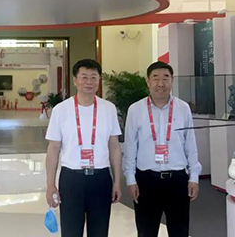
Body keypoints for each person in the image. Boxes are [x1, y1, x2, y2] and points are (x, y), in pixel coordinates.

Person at [45, 59, 123, 237]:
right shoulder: (61, 110)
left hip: (101, 178)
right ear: (75, 80)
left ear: (99, 80)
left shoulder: (108, 109)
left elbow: (114, 147)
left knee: (99, 232)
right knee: (71, 232)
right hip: (72, 179)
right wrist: (50, 184)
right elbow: (53, 149)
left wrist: (117, 181)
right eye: (84, 77)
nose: (89, 82)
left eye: (93, 77)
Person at [123, 61, 201, 237]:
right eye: (155, 78)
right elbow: (130, 147)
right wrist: (130, 179)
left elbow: (190, 145)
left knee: (179, 231)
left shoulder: (183, 108)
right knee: (146, 232)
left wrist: (194, 177)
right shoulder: (135, 110)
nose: (161, 83)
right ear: (148, 81)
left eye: (166, 78)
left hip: (177, 180)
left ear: (172, 81)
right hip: (146, 181)